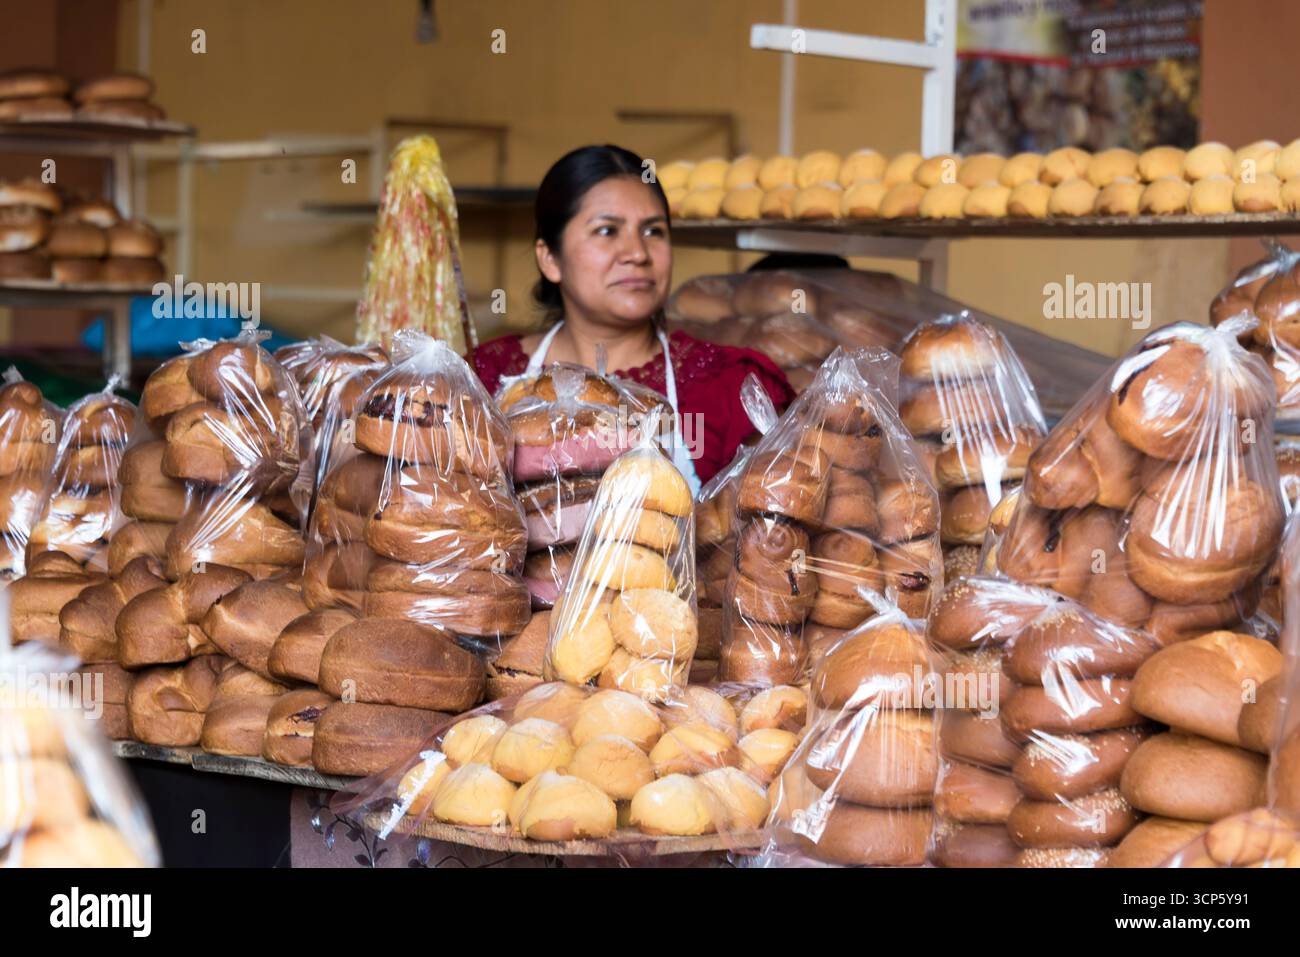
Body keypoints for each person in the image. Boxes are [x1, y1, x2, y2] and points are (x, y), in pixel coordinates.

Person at [470, 144, 795, 490]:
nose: (638, 253)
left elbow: (771, 520)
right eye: (607, 231)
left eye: (653, 231)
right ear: (550, 258)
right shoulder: (482, 379)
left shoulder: (734, 388)